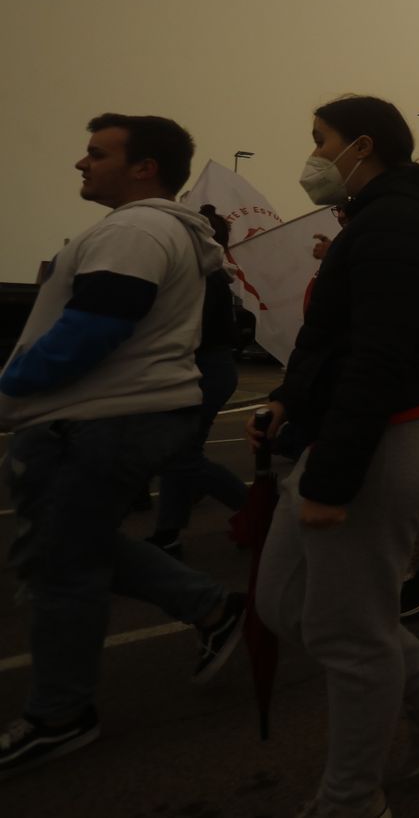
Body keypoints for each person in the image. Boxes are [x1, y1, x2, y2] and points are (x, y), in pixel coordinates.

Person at [248, 96, 419, 818]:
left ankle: (350, 801)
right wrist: (289, 397)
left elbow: (380, 356)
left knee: (350, 633)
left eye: (321, 140)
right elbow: (333, 336)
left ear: (363, 145)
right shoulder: (372, 219)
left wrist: (333, 477)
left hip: (387, 439)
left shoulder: (398, 223)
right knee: (285, 601)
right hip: (348, 434)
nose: (312, 155)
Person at [0, 115, 245, 779]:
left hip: (95, 421)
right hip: (106, 420)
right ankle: (214, 608)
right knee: (73, 545)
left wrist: (10, 385)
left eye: (97, 153)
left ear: (144, 168)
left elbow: (94, 327)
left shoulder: (136, 228)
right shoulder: (151, 229)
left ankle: (61, 714)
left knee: (61, 568)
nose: (82, 163)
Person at [146, 204, 249, 556]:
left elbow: (190, 331)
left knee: (180, 456)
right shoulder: (209, 275)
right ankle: (168, 533)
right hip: (204, 368)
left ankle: (259, 510)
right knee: (180, 454)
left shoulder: (207, 278)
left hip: (206, 369)